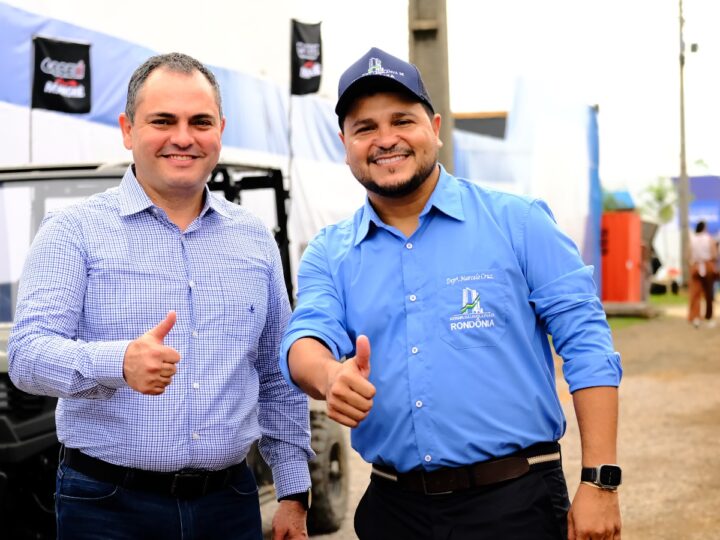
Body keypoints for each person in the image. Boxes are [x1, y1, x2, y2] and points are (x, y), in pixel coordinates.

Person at [279, 47, 623, 540]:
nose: (386, 140)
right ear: (345, 142)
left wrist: (600, 481)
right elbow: (303, 341)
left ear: (435, 128)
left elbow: (588, 345)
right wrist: (329, 375)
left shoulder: (518, 223)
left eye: (403, 120)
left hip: (515, 506)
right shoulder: (330, 254)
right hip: (393, 513)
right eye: (365, 128)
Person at [9, 52, 312, 540]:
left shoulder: (255, 239)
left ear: (220, 129)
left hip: (229, 504)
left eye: (200, 121)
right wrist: (119, 362)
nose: (183, 137)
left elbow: (277, 372)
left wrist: (294, 492)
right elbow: (26, 356)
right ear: (128, 130)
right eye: (163, 121)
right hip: (107, 507)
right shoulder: (73, 233)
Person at [687, 220, 718, 328]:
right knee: (708, 293)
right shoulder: (709, 239)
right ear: (704, 228)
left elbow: (689, 255)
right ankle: (709, 317)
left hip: (695, 266)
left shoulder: (692, 240)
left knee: (695, 294)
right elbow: (714, 254)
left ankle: (695, 317)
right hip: (707, 265)